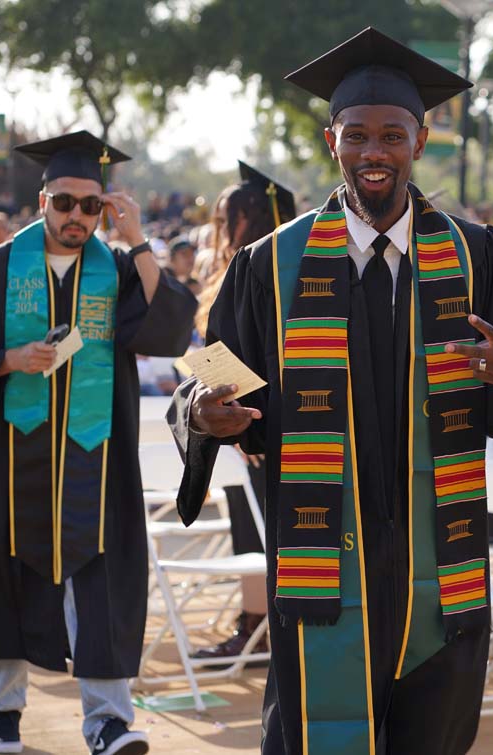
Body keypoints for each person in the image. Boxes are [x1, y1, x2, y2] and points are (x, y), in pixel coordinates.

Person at [168, 28, 493, 755]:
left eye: (392, 135)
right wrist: (201, 413)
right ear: (332, 140)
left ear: (421, 138)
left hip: (441, 569)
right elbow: (207, 375)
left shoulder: (478, 255)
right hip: (323, 566)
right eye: (357, 136)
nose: (374, 153)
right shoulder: (270, 264)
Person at [0, 130, 197, 755]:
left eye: (90, 206)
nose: (77, 217)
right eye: (65, 203)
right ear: (43, 200)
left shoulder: (119, 270)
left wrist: (136, 238)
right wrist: (8, 360)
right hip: (8, 452)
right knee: (3, 573)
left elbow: (171, 326)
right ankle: (2, 710)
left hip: (95, 453)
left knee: (102, 580)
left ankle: (107, 720)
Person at [191, 162, 296, 661]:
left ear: (246, 221)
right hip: (243, 423)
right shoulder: (253, 270)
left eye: (226, 217)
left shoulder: (272, 272)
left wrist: (252, 414)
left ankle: (258, 628)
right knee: (248, 523)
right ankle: (255, 623)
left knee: (260, 527)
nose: (219, 228)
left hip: (267, 426)